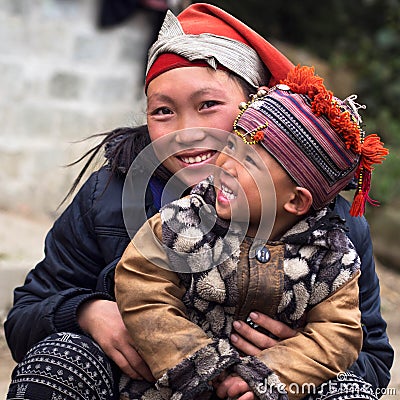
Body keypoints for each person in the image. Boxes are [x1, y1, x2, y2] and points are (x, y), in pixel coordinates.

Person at [3, 3, 393, 400]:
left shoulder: (332, 231)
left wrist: (298, 356)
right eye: (163, 111)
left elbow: (373, 361)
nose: (187, 132)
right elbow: (24, 317)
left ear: (255, 109)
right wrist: (87, 313)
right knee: (60, 359)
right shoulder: (109, 197)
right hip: (141, 388)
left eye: (208, 105)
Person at [114, 65, 388, 400]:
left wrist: (272, 375)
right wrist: (197, 364)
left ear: (296, 200)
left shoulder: (332, 257)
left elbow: (338, 335)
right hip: (173, 388)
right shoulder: (185, 218)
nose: (226, 165)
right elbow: (140, 284)